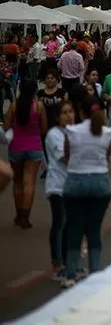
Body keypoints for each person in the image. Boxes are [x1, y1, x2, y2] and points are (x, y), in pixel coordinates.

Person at [62, 97, 111, 287]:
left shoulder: (72, 131)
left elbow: (67, 156)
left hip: (76, 181)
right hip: (100, 182)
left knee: (75, 228)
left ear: (81, 112)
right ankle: (95, 272)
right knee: (94, 230)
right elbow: (108, 156)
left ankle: (71, 274)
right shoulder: (107, 132)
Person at [5, 78, 48, 228]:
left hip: (16, 147)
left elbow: (6, 126)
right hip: (34, 147)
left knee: (17, 182)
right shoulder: (39, 106)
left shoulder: (14, 105)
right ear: (35, 90)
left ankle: (18, 214)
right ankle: (25, 216)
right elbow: (43, 128)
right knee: (29, 182)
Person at [44, 100, 73, 280]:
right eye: (64, 112)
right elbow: (65, 158)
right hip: (57, 186)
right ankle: (57, 263)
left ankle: (68, 262)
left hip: (72, 186)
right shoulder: (54, 134)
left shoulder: (74, 132)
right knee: (59, 224)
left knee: (70, 225)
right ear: (57, 117)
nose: (69, 115)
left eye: (71, 112)